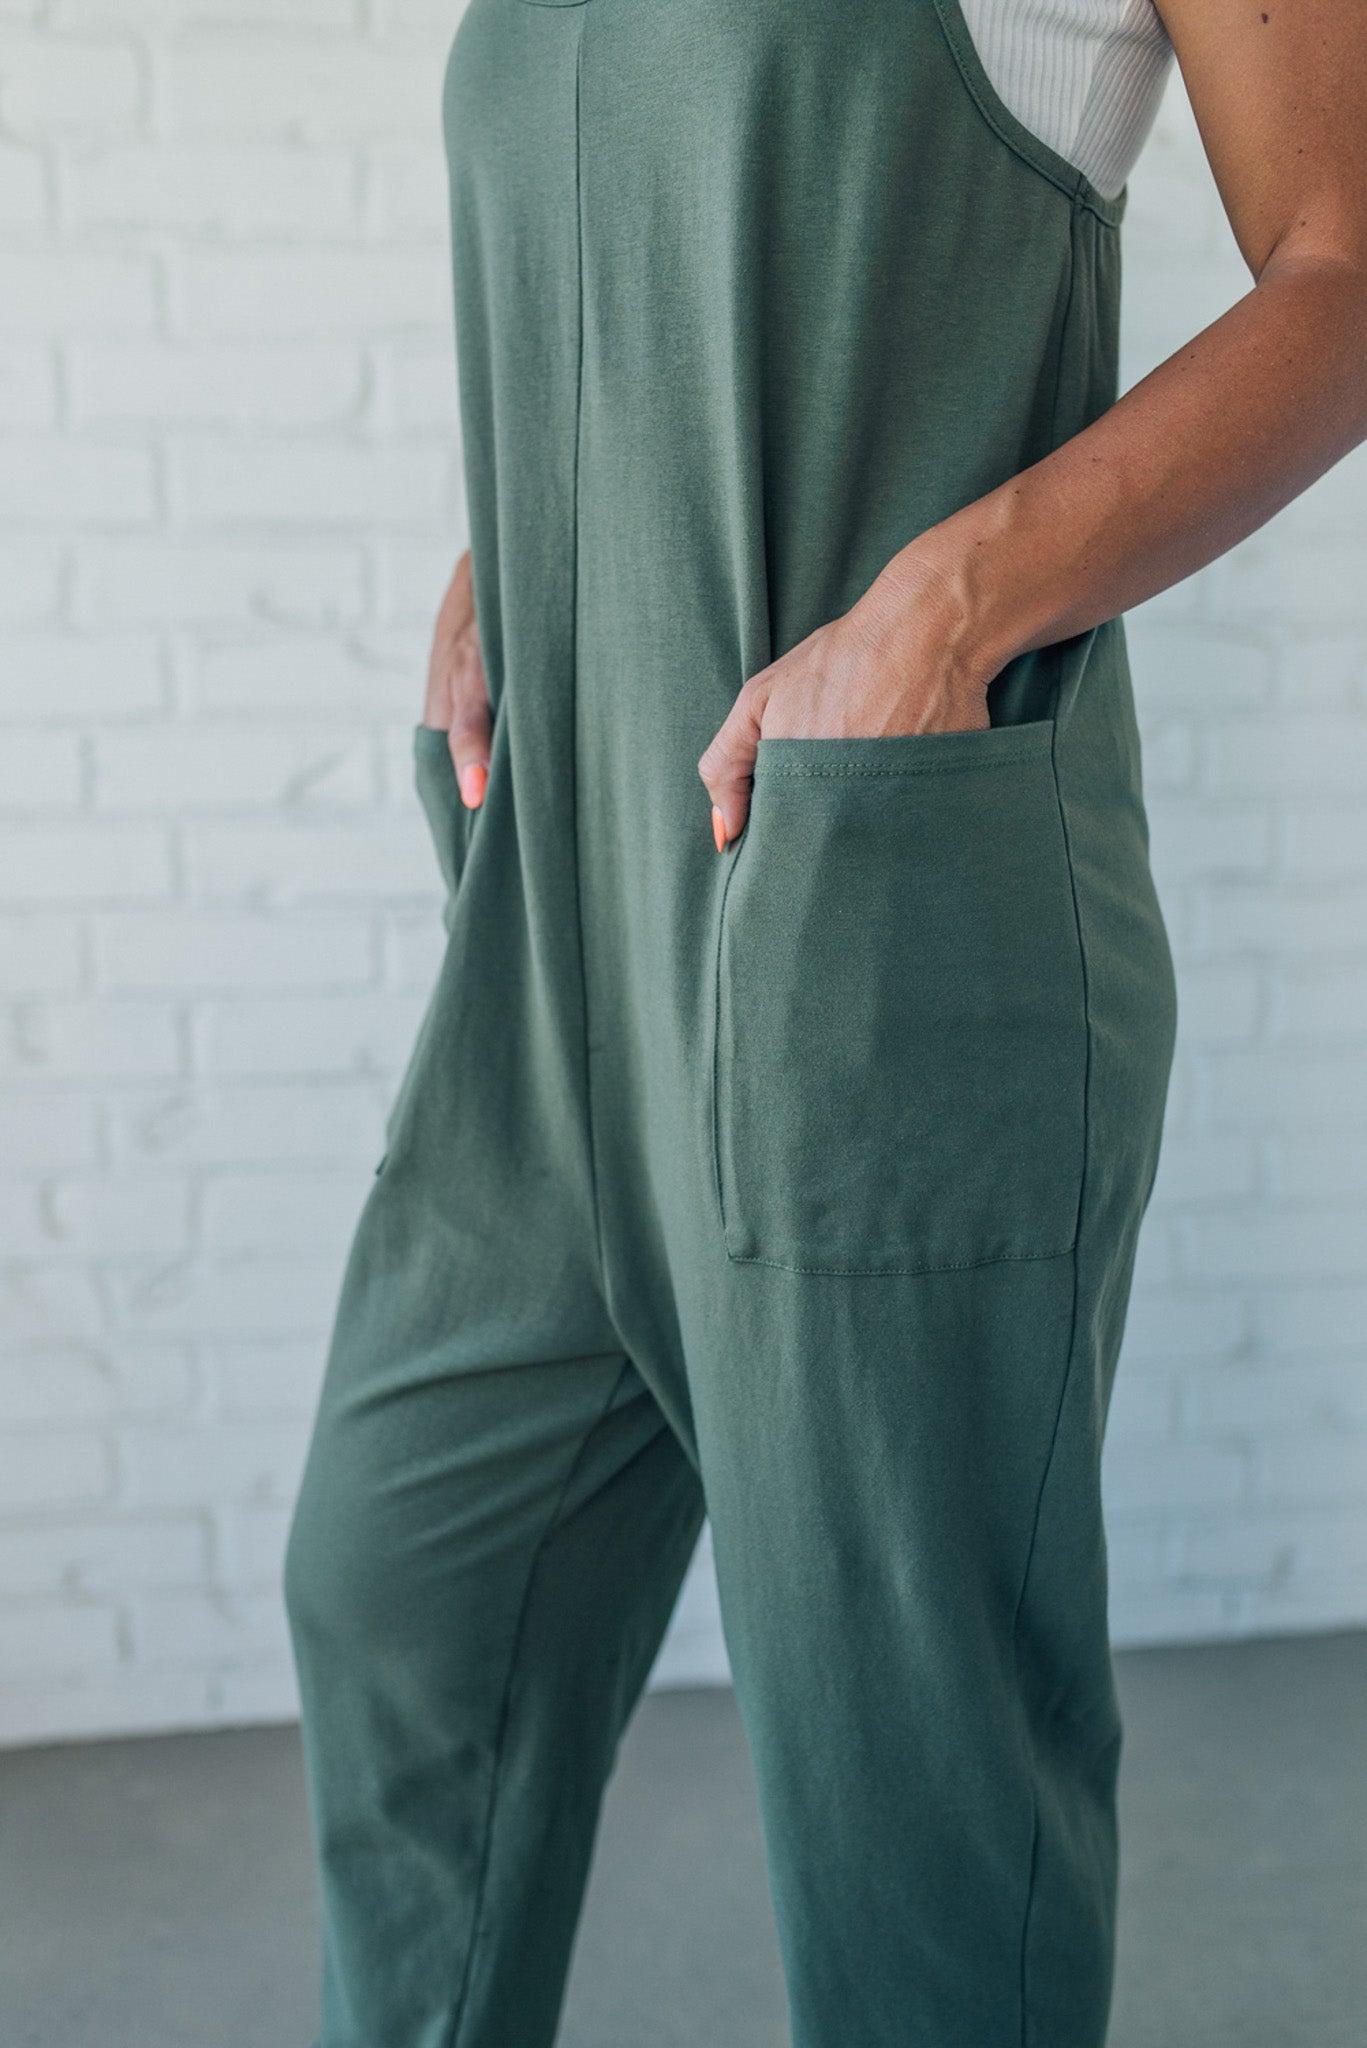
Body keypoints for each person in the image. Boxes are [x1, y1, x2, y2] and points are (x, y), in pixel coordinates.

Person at [284, 2, 1367, 2043]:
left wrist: (955, 603)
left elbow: (1348, 266)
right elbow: (655, 259)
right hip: (558, 941)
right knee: (402, 1600)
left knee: (915, 1852)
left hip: (865, 954)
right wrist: (527, 545)